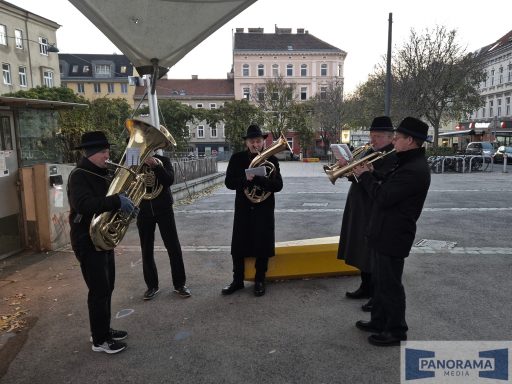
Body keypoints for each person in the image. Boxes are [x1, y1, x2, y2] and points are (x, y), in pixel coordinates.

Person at [352, 117, 431, 346]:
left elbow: (384, 197)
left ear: (411, 141)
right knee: (380, 280)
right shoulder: (405, 161)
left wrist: (364, 176)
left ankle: (396, 330)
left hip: (394, 234)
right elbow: (387, 185)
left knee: (390, 285)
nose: (394, 139)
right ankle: (378, 321)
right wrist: (372, 172)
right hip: (383, 230)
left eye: (399, 136)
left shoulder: (414, 169)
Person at [68, 131, 135, 354]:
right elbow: (84, 205)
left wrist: (125, 205)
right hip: (86, 240)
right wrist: (117, 201)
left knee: (108, 287)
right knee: (99, 291)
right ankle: (100, 341)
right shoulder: (79, 174)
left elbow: (109, 203)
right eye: (104, 152)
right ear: (92, 153)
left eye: (108, 151)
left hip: (102, 238)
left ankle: (103, 330)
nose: (108, 155)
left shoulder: (102, 173)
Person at [337, 116, 397, 313]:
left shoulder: (392, 156)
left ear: (390, 137)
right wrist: (347, 168)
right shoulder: (370, 151)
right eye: (372, 136)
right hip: (358, 203)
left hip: (373, 206)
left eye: (378, 136)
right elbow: (355, 177)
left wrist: (367, 172)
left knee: (371, 251)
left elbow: (384, 182)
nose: (373, 140)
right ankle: (365, 286)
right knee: (359, 247)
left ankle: (375, 293)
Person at [222, 124, 283, 297]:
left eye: (258, 141)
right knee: (239, 244)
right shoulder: (237, 159)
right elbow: (229, 183)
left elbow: (278, 186)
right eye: (252, 141)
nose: (255, 144)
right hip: (243, 208)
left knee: (262, 244)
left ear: (263, 142)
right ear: (247, 143)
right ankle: (237, 280)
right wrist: (246, 180)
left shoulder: (272, 160)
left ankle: (260, 280)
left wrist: (260, 180)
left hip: (263, 208)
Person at [136, 152, 190, 300]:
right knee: (146, 249)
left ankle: (180, 284)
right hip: (143, 209)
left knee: (173, 247)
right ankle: (152, 286)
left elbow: (169, 180)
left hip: (164, 209)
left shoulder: (163, 160)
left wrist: (155, 166)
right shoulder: (133, 160)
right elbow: (127, 183)